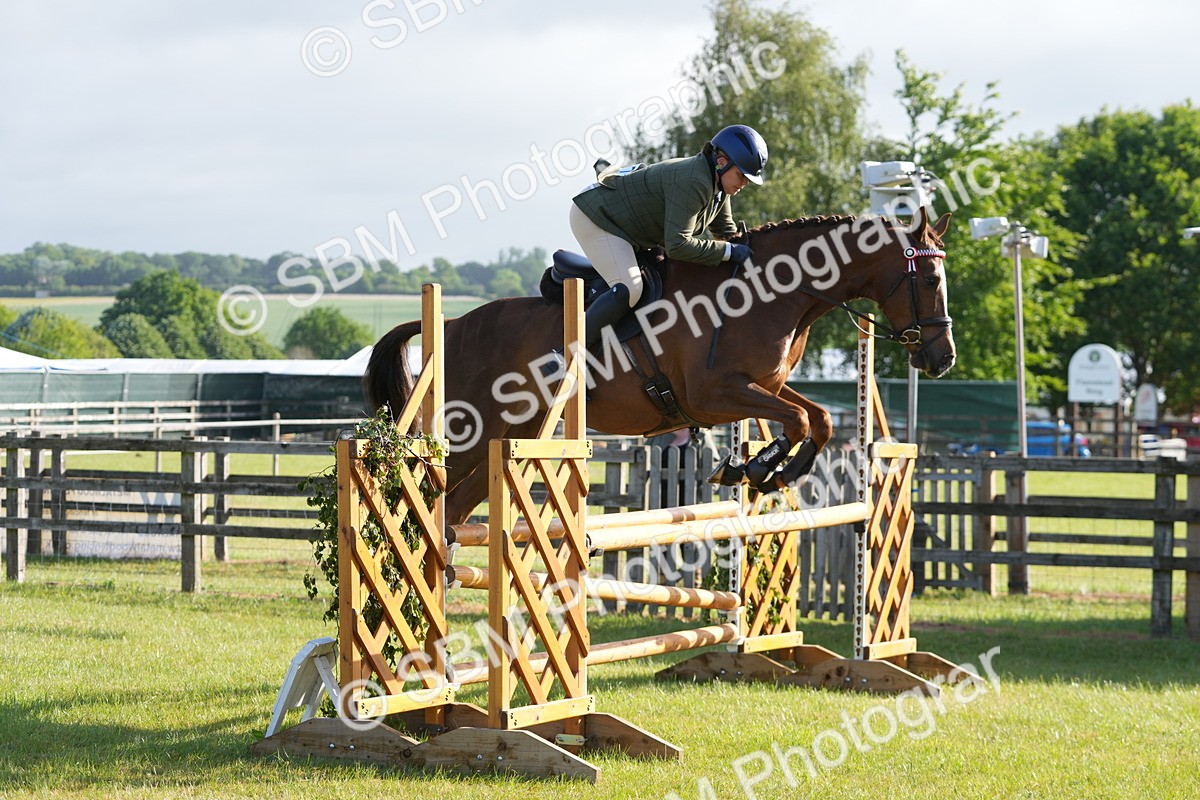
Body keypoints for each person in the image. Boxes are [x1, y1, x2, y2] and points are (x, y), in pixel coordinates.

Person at [569, 124, 768, 350]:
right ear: (722, 163)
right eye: (742, 176)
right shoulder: (695, 181)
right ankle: (568, 352)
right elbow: (677, 246)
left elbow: (726, 234)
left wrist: (751, 251)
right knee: (630, 288)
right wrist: (730, 252)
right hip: (598, 217)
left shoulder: (719, 186)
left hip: (629, 229)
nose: (744, 184)